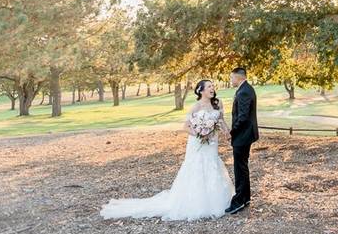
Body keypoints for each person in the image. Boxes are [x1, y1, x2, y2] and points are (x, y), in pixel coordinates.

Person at [99, 79, 234, 221]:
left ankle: (216, 199)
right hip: (198, 143)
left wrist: (227, 132)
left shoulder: (217, 103)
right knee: (197, 167)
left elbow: (221, 120)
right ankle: (197, 203)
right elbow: (186, 127)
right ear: (200, 90)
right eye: (209, 87)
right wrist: (200, 134)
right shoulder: (195, 107)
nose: (212, 89)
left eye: (213, 86)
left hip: (212, 143)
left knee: (213, 165)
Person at [225, 67, 258, 215]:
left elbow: (243, 117)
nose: (231, 80)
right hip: (244, 134)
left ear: (239, 77)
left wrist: (232, 132)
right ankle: (245, 197)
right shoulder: (245, 88)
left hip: (242, 135)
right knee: (242, 167)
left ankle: (239, 201)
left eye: (232, 77)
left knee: (240, 169)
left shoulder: (244, 91)